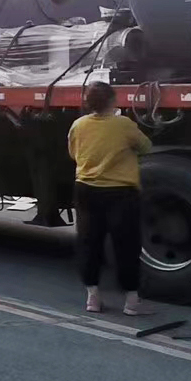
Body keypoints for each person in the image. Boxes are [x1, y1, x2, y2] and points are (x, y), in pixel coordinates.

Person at [67, 81, 153, 315]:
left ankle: (93, 298)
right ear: (113, 101)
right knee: (126, 244)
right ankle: (131, 302)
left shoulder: (78, 125)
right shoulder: (123, 124)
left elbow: (74, 153)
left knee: (89, 242)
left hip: (85, 189)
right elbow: (146, 146)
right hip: (120, 192)